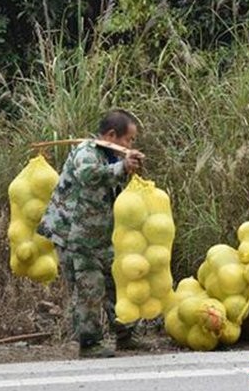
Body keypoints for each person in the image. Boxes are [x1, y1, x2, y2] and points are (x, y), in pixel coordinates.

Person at [38, 109, 146, 358]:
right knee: (90, 288)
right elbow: (88, 176)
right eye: (128, 140)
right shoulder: (87, 151)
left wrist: (131, 169)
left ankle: (125, 334)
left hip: (100, 235)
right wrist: (121, 167)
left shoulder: (111, 156)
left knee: (116, 281)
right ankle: (89, 343)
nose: (130, 145)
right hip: (74, 235)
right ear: (111, 135)